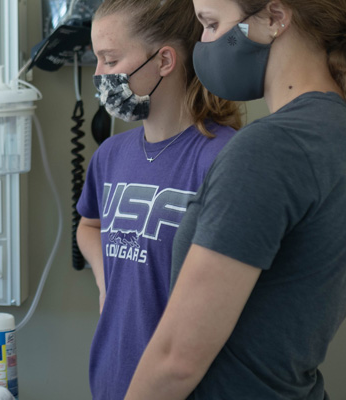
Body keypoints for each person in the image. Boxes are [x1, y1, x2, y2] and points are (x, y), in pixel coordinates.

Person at [125, 0, 346, 397]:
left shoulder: (272, 148)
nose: (202, 43)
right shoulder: (338, 131)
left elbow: (176, 361)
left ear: (274, 18)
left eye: (211, 24)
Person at [76, 1, 242, 398]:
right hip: (113, 376)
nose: (99, 75)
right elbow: (88, 225)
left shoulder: (226, 158)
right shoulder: (110, 156)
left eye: (109, 59)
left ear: (164, 59)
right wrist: (105, 279)